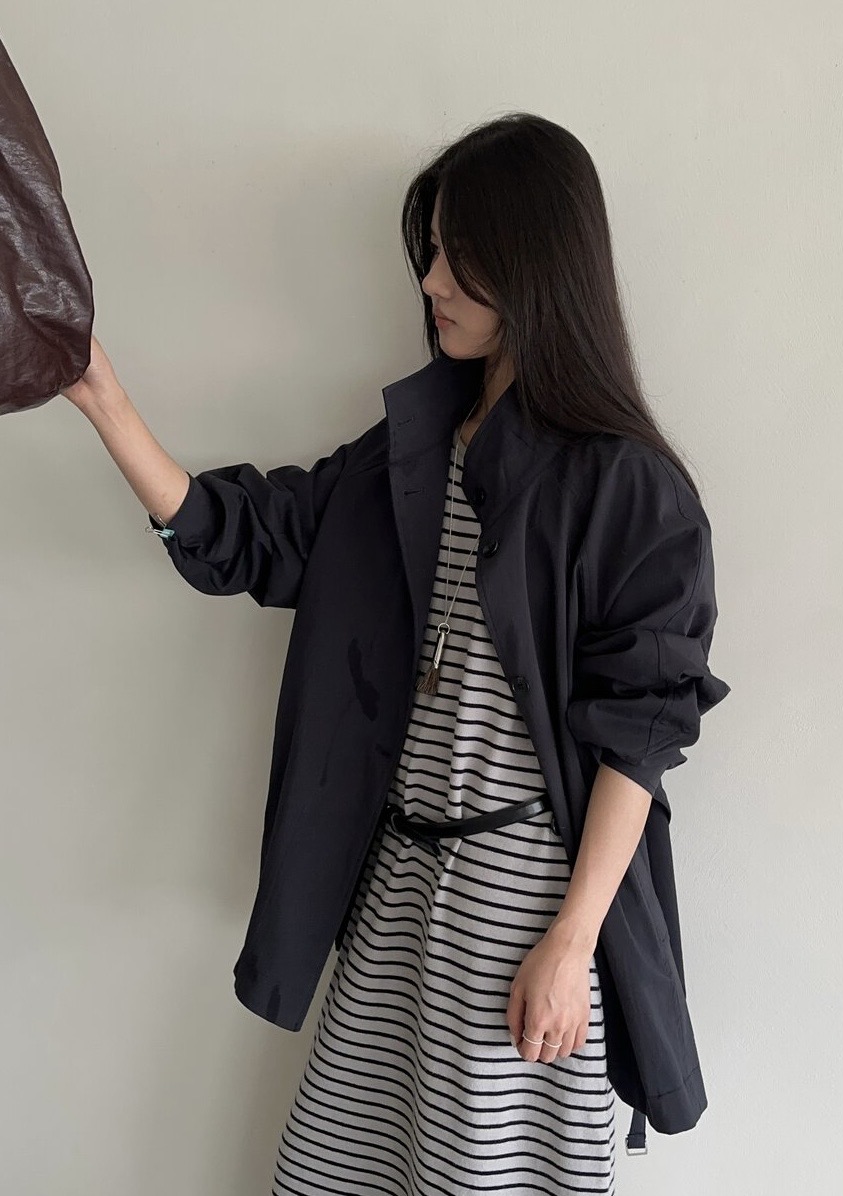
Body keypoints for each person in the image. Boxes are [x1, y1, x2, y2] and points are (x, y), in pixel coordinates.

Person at [61, 112, 730, 1195]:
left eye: (460, 255)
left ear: (534, 262)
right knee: (337, 1166)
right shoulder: (409, 455)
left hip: (522, 904)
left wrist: (571, 943)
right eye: (432, 251)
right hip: (397, 892)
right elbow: (254, 537)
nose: (430, 280)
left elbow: (640, 734)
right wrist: (104, 398)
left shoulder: (626, 487)